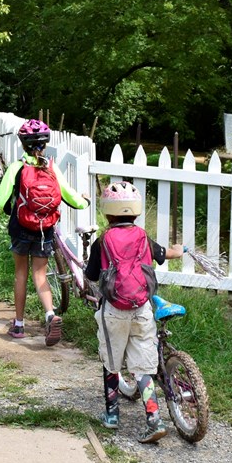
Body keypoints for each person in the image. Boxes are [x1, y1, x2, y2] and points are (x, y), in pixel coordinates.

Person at [85, 181, 184, 444]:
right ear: (137, 211)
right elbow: (163, 254)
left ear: (108, 212)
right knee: (142, 367)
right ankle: (154, 419)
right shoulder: (142, 236)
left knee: (111, 361)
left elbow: (92, 274)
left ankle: (112, 416)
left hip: (114, 310)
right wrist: (181, 249)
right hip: (142, 308)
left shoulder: (103, 240)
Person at [0, 119, 89, 345]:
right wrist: (83, 203)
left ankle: (18, 325)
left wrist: (11, 208)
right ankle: (50, 314)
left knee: (21, 273)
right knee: (40, 275)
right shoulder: (51, 167)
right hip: (44, 229)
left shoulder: (17, 168)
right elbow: (70, 197)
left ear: (22, 143)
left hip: (20, 227)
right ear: (45, 145)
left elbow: (0, 199)